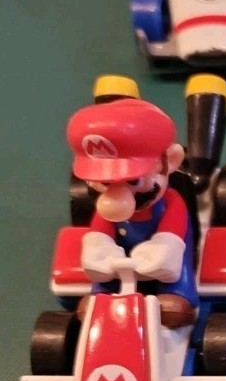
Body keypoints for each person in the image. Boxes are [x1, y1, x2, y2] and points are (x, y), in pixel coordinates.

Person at [68, 97, 197, 326]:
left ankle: (178, 293)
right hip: (118, 258)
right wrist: (100, 251)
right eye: (105, 182)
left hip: (166, 253)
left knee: (176, 270)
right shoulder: (105, 208)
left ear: (170, 161)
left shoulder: (171, 203)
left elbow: (173, 234)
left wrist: (161, 253)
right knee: (102, 279)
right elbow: (100, 232)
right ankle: (101, 295)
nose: (119, 195)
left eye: (133, 180)